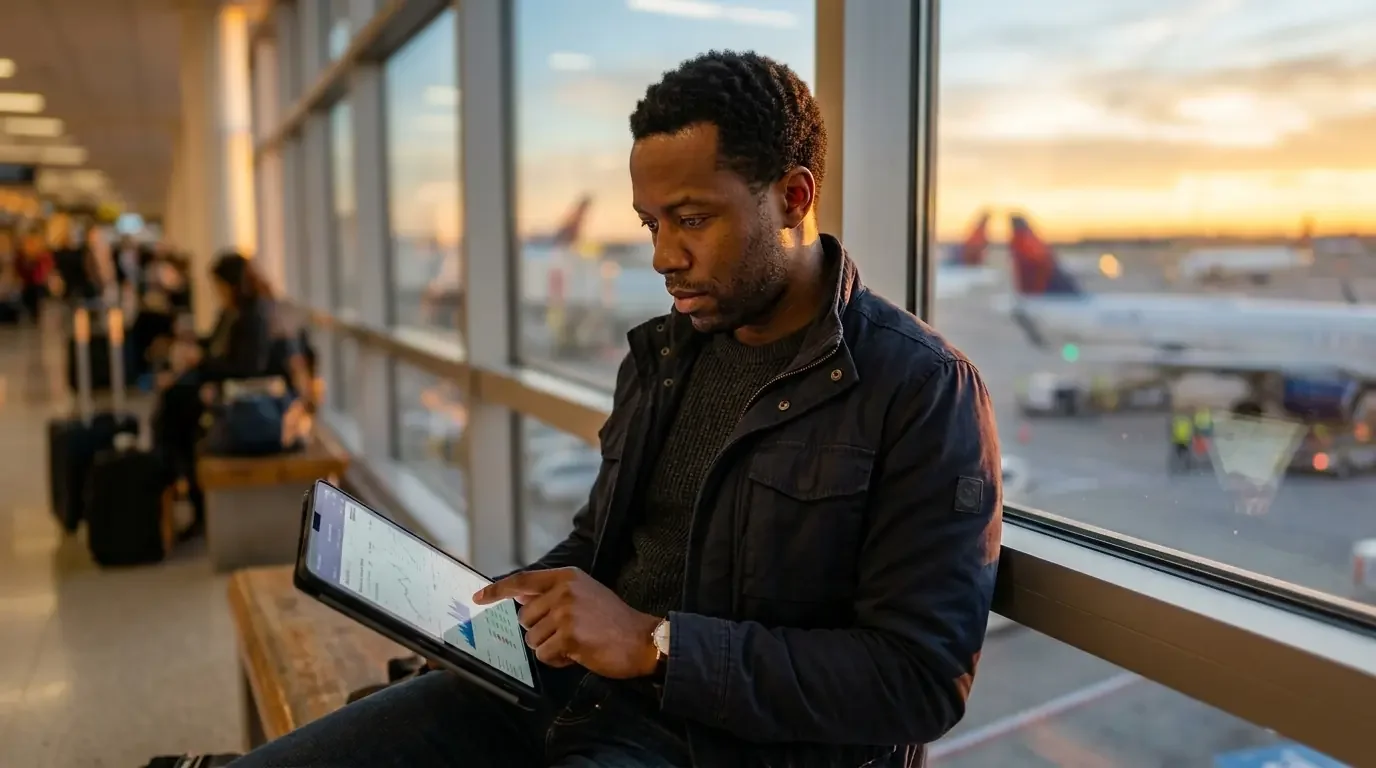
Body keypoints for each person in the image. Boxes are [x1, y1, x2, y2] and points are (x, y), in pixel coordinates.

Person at [229, 50, 1002, 768]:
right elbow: (604, 545)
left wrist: (657, 645)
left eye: (692, 219)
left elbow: (919, 680)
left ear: (793, 197)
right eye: (650, 223)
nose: (664, 255)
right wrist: (494, 610)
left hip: (721, 748)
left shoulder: (921, 390)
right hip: (565, 692)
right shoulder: (667, 355)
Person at [152, 250, 308, 539]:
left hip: (252, 399)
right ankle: (178, 477)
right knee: (176, 403)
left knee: (177, 409)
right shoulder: (236, 311)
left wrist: (202, 362)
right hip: (232, 387)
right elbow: (218, 348)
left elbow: (247, 367)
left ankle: (174, 477)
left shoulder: (254, 315)